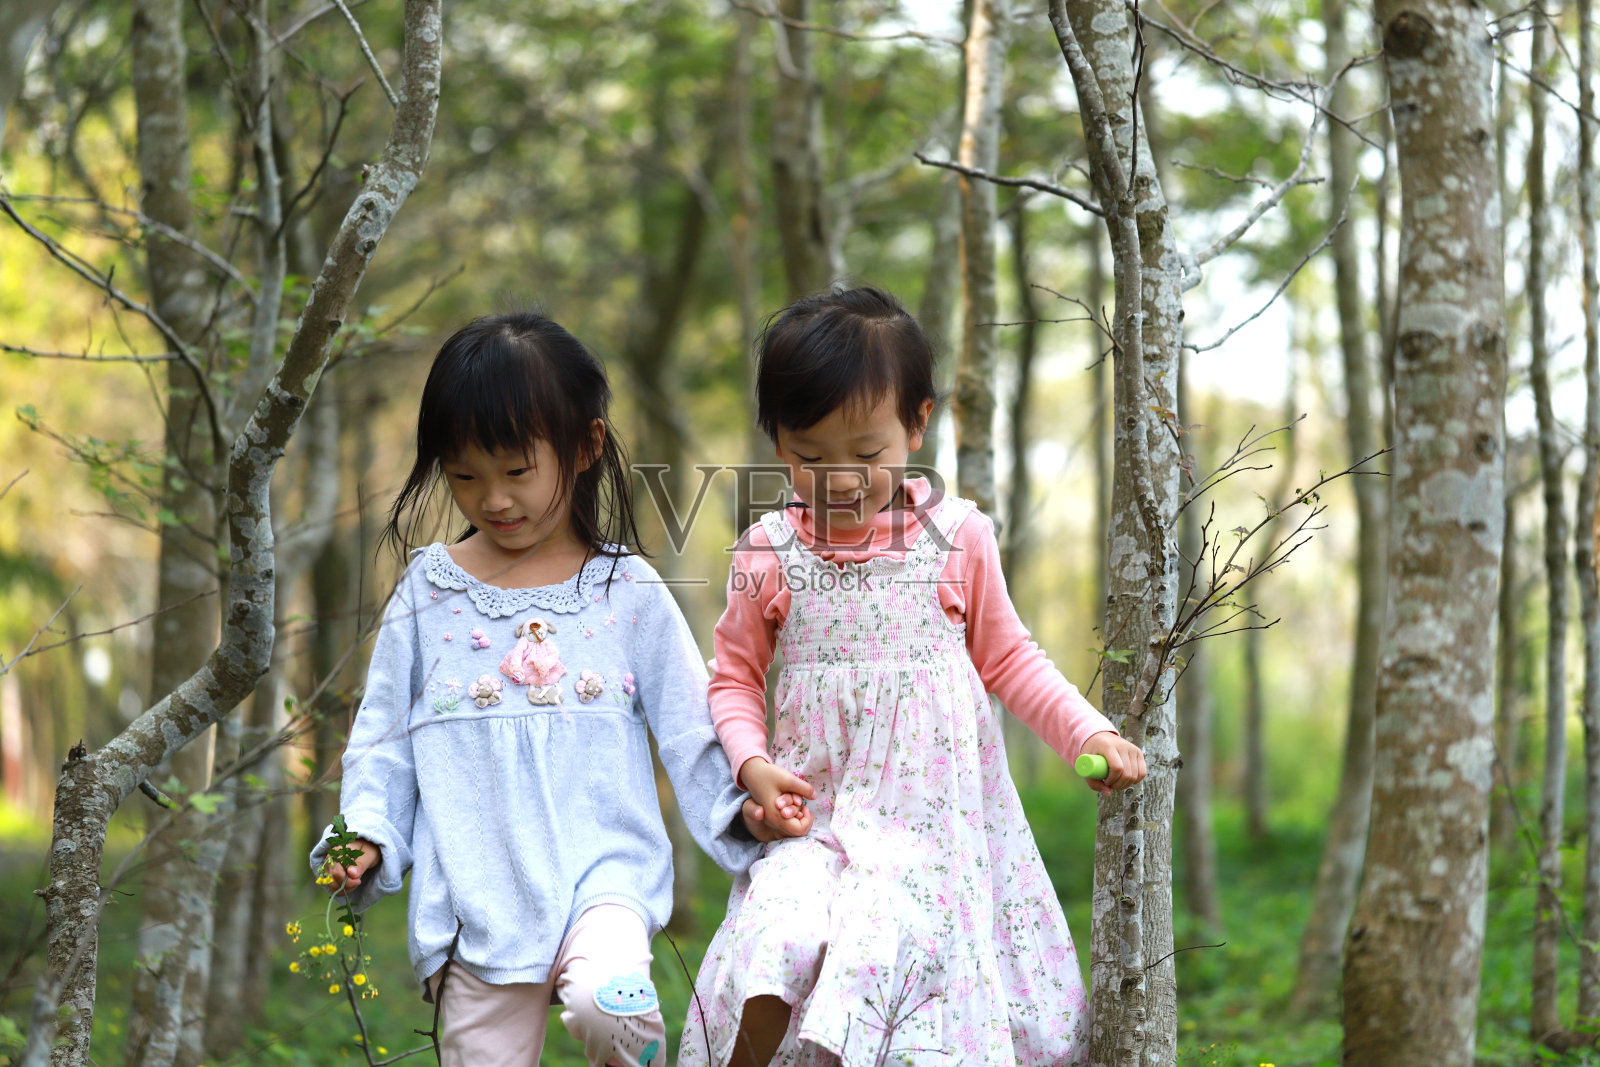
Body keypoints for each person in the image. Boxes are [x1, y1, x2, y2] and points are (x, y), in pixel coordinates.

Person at [680, 286, 1148, 1067]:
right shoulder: (767, 551)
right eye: (809, 455)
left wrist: (1087, 733)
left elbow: (1011, 658)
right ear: (778, 441)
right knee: (777, 932)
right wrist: (752, 766)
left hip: (928, 834)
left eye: (866, 454)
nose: (839, 479)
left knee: (881, 954)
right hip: (815, 821)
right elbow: (733, 679)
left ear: (917, 423)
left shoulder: (957, 538)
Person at [311, 312, 767, 1067]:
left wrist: (741, 808)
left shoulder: (627, 588)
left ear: (584, 446)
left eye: (516, 471)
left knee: (611, 1008)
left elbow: (693, 727)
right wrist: (365, 831)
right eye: (464, 475)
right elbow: (383, 739)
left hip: (605, 878)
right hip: (474, 902)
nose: (492, 499)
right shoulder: (430, 590)